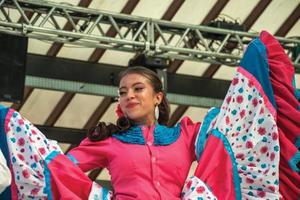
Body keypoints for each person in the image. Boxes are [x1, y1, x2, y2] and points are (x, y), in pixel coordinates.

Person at [0, 31, 299, 199]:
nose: (129, 95)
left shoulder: (185, 136)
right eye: (123, 91)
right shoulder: (109, 141)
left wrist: (254, 76)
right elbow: (63, 168)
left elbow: (231, 135)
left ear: (158, 97)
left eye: (138, 89)